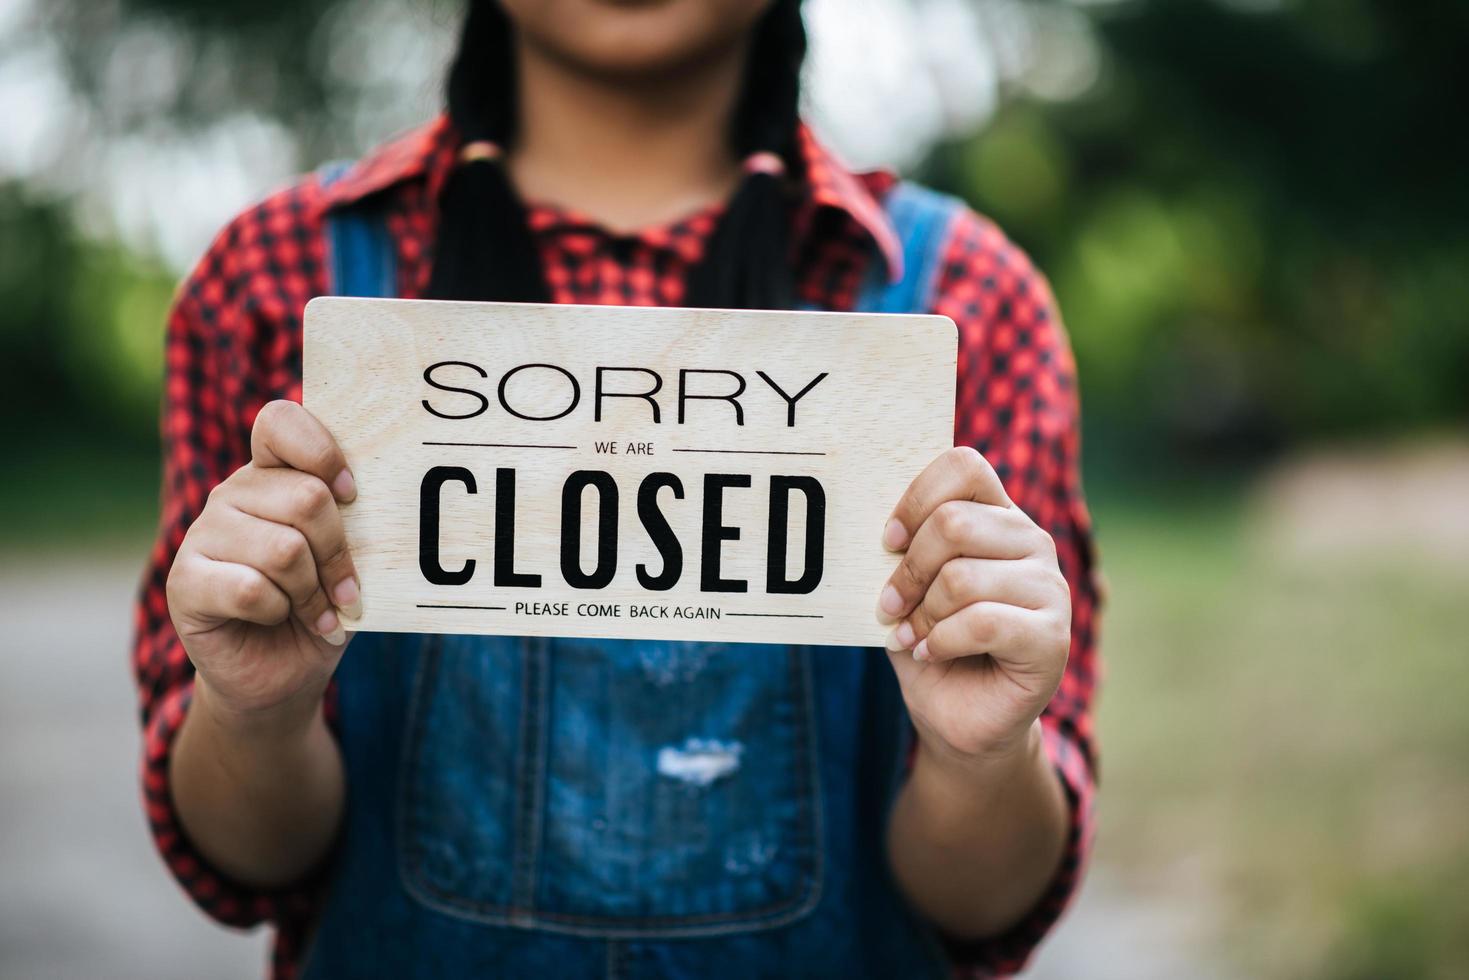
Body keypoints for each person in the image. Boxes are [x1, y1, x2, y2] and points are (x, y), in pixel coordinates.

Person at [132, 1, 1100, 976]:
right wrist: (255, 707)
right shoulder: (268, 281)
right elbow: (246, 864)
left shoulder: (969, 298)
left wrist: (981, 752)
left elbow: (985, 903)